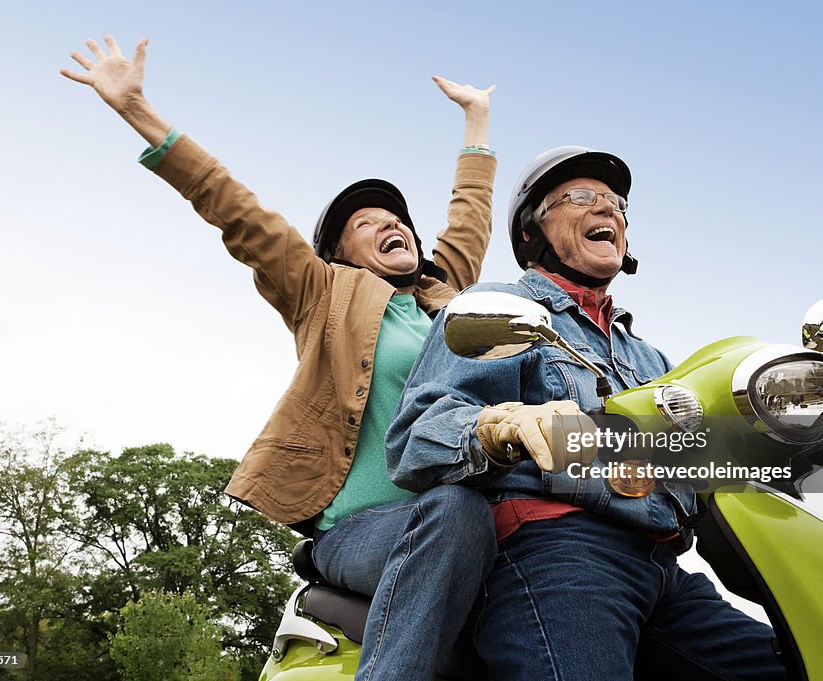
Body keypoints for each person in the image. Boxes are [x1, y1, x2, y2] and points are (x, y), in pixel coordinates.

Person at [61, 35, 498, 681]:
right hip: (365, 527)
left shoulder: (448, 299)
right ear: (344, 254)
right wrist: (138, 111)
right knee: (457, 511)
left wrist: (476, 119)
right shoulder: (323, 292)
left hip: (462, 525)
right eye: (366, 222)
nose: (389, 223)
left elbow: (470, 218)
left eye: (395, 216)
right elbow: (237, 210)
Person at [388, 146, 790, 680]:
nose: (607, 210)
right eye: (581, 197)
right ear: (532, 232)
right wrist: (494, 426)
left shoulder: (651, 359)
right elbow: (415, 438)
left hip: (667, 572)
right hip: (557, 554)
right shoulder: (500, 309)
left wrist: (798, 439)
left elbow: (701, 460)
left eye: (616, 203)